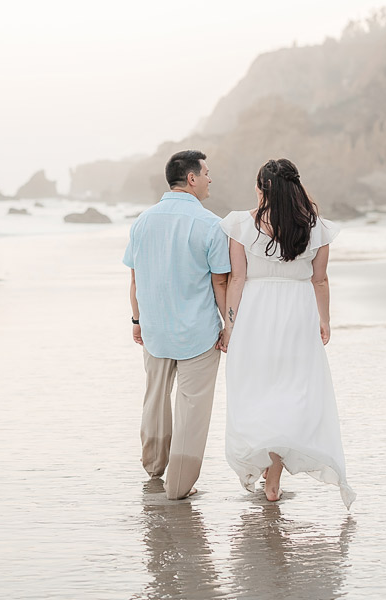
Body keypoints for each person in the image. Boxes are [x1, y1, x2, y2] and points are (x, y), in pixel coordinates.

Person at [218, 158, 355, 509]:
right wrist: (324, 319)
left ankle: (269, 464)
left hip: (255, 313)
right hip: (299, 313)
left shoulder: (239, 224)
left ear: (262, 187)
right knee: (291, 389)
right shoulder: (316, 228)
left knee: (257, 388)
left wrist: (229, 324)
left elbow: (237, 279)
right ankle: (274, 468)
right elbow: (319, 279)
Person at [123, 150, 231, 500]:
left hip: (154, 327)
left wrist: (137, 320)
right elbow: (220, 283)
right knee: (192, 407)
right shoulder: (210, 224)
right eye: (207, 173)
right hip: (197, 331)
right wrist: (228, 325)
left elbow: (135, 278)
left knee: (154, 398)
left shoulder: (142, 221)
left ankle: (154, 467)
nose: (210, 179)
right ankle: (180, 485)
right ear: (192, 179)